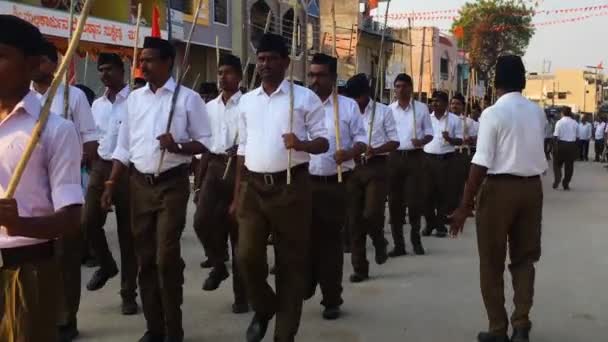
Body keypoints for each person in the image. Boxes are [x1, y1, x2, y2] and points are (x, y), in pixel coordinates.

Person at [101, 37, 211, 342]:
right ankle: (155, 328)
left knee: (165, 257)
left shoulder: (188, 99)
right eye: (142, 60)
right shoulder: (133, 100)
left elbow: (205, 141)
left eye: (150, 60)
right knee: (145, 260)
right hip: (138, 185)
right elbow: (123, 147)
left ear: (168, 62)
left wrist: (177, 145)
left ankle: (174, 327)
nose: (143, 65)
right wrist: (111, 182)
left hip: (172, 184)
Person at [230, 33, 328, 342]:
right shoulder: (246, 101)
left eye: (273, 58)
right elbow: (242, 150)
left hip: (291, 186)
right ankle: (264, 305)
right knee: (246, 256)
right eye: (261, 58)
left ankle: (284, 334)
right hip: (253, 187)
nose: (266, 64)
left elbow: (323, 141)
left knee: (290, 264)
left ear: (286, 62)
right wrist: (237, 194)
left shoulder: (304, 98)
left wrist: (301, 143)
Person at [450, 55, 547, 342]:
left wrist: (463, 206)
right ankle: (521, 324)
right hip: (532, 189)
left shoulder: (492, 113)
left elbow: (480, 162)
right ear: (523, 81)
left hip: (499, 189)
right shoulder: (537, 112)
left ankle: (497, 329)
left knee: (491, 261)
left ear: (496, 82)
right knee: (524, 258)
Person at [0, 15, 84, 342]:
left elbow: (71, 218)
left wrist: (19, 224)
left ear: (33, 64)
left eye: (1, 56)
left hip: (27, 273)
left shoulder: (55, 131)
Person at [31, 39, 98, 341]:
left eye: (42, 60)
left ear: (54, 63)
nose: (37, 66)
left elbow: (90, 140)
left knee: (66, 259)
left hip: (66, 187)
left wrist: (83, 160)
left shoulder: (74, 97)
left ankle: (66, 317)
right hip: (31, 194)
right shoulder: (23, 98)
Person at [306, 53, 367, 319]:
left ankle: (331, 298)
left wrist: (350, 152)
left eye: (320, 75)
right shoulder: (300, 104)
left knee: (330, 243)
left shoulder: (348, 107)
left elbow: (362, 141)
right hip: (303, 183)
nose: (314, 80)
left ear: (333, 77)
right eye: (312, 74)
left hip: (336, 182)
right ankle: (308, 281)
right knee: (304, 240)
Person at [191, 53, 248, 314]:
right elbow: (203, 146)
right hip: (214, 166)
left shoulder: (248, 104)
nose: (222, 77)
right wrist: (199, 182)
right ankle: (217, 263)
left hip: (240, 167)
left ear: (239, 76)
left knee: (238, 234)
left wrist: (244, 147)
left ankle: (242, 296)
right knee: (201, 221)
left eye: (228, 72)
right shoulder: (209, 107)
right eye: (220, 72)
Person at [84, 53, 139, 315]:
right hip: (100, 166)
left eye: (109, 69)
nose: (105, 75)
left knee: (128, 236)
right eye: (101, 70)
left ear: (122, 70)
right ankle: (106, 264)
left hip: (129, 171)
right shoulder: (97, 104)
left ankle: (128, 293)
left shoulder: (135, 101)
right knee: (88, 222)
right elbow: (93, 137)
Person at [345, 73, 399, 282]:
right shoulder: (346, 111)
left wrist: (375, 150)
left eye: (357, 98)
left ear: (366, 94)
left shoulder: (383, 112)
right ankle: (360, 268)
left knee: (372, 213)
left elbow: (394, 141)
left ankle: (379, 240)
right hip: (353, 167)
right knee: (354, 219)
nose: (355, 102)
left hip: (376, 167)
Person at [387, 73, 432, 257]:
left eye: (404, 86)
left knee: (414, 201)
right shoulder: (388, 110)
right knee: (395, 202)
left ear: (411, 88)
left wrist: (421, 141)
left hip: (415, 157)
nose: (400, 89)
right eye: (397, 86)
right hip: (394, 157)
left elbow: (430, 133)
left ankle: (416, 240)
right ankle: (399, 245)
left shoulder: (421, 109)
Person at [422, 91, 463, 238]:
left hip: (446, 159)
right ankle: (430, 222)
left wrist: (450, 139)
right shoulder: (426, 118)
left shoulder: (454, 120)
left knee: (443, 194)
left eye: (438, 101)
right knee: (426, 194)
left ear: (446, 104)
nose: (434, 103)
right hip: (428, 159)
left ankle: (440, 225)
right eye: (433, 101)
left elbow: (460, 141)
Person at [451, 93, 479, 204]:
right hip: (447, 153)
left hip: (461, 153)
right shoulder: (446, 119)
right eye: (452, 103)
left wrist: (469, 139)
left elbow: (475, 137)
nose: (454, 106)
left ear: (463, 106)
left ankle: (463, 204)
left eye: (457, 104)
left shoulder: (468, 122)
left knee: (461, 182)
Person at [553, 106, 578, 191]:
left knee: (557, 164)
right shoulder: (575, 123)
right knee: (569, 167)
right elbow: (577, 136)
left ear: (562, 113)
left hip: (561, 145)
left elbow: (556, 136)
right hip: (571, 145)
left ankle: (558, 177)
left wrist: (555, 147)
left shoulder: (559, 122)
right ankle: (566, 183)